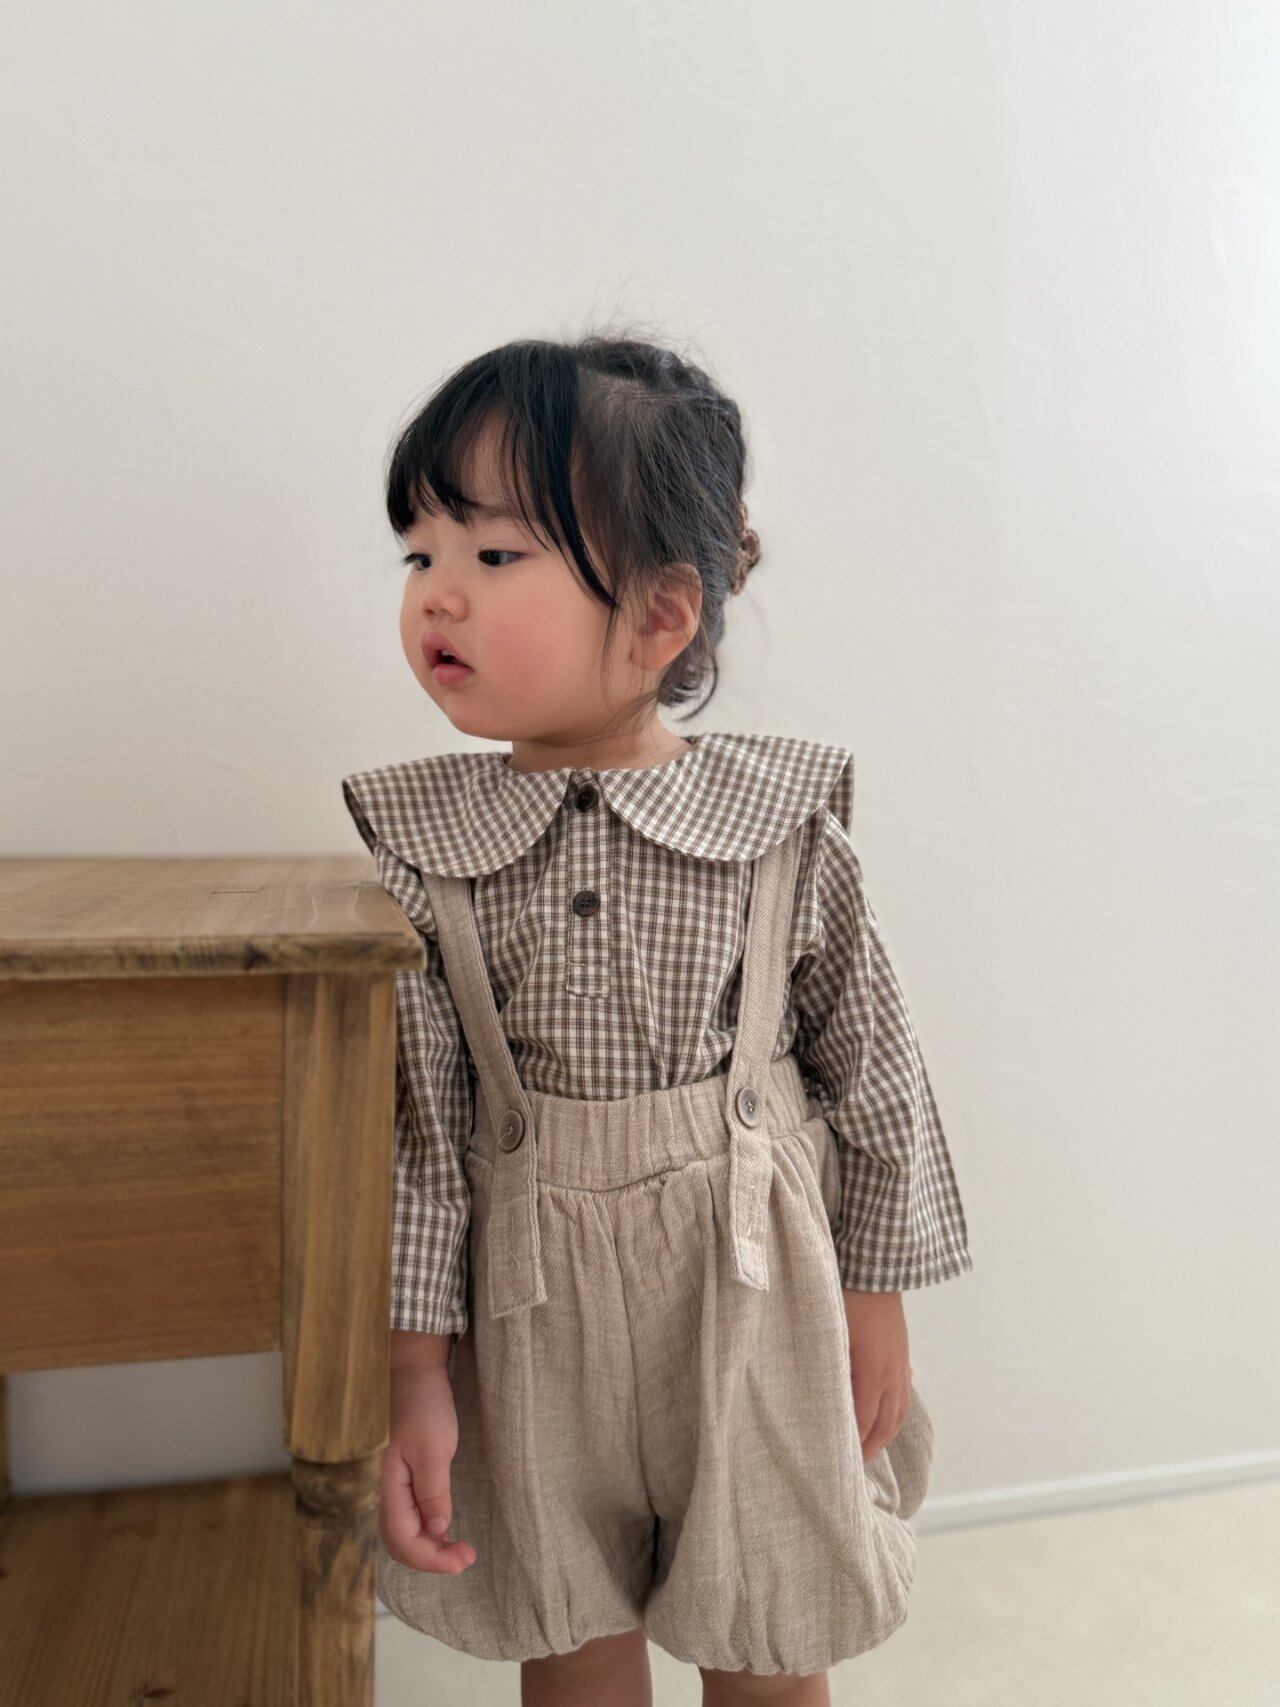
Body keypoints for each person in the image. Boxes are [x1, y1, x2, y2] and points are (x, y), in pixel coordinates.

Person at [341, 329, 974, 1705]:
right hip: (530, 1316)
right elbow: (419, 1136)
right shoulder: (425, 852)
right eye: (419, 553)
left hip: (756, 1298)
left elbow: (877, 1075)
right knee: (570, 1632)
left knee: (769, 1627)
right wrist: (412, 1371)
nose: (437, 593)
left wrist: (877, 1301)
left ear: (659, 615)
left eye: (492, 553)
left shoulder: (776, 828)